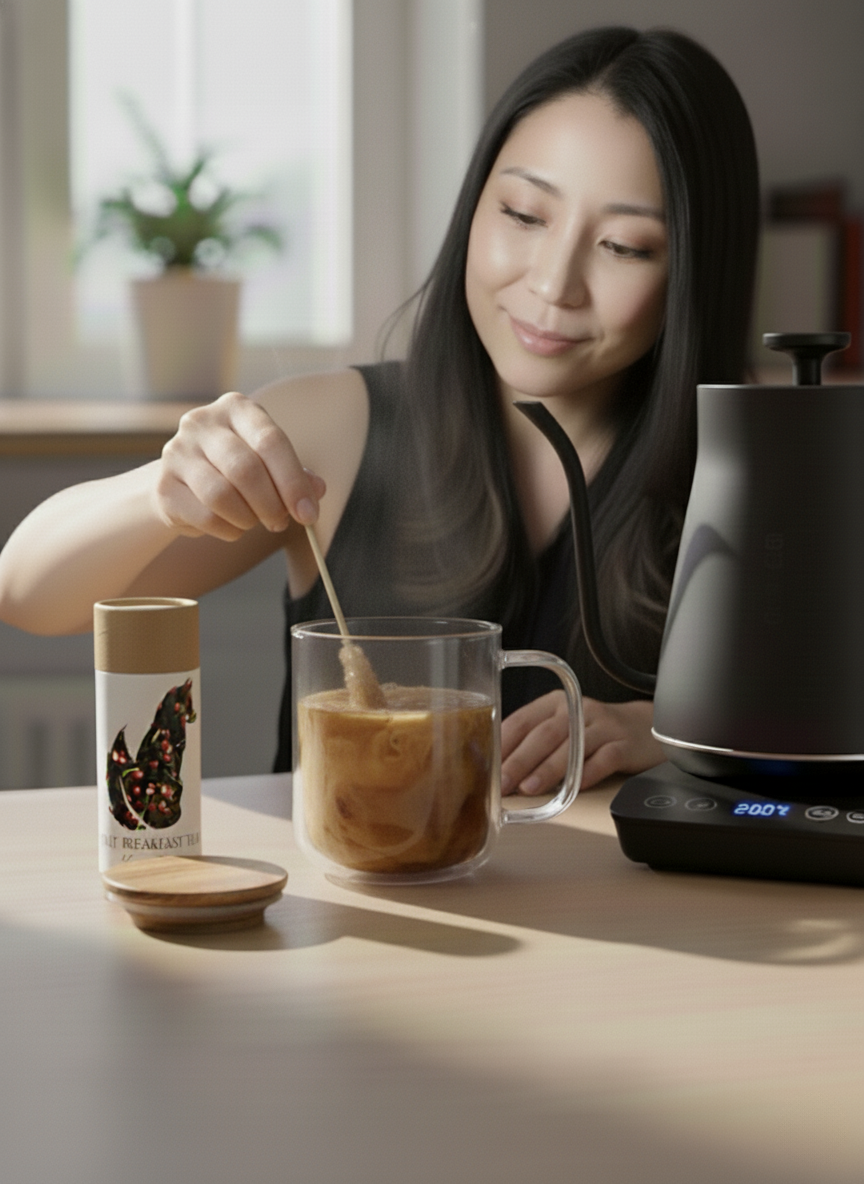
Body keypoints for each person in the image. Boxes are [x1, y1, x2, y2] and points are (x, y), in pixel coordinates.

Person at [0, 26, 760, 792]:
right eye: (524, 216)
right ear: (474, 208)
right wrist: (160, 489)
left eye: (626, 247)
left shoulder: (760, 467)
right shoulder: (341, 425)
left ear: (694, 273)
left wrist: (667, 731)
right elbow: (28, 593)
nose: (554, 283)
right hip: (343, 906)